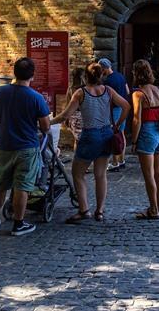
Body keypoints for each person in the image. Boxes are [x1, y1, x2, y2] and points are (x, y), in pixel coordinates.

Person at [50, 61, 130, 224]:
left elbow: (65, 115)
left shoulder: (81, 93)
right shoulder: (108, 90)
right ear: (101, 76)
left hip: (90, 136)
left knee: (77, 173)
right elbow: (126, 106)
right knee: (100, 175)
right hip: (106, 133)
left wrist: (47, 123)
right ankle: (99, 211)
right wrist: (117, 124)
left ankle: (84, 209)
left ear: (86, 76)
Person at [0, 57, 51, 236]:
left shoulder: (0, 92)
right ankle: (18, 223)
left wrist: (7, 124)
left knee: (0, 184)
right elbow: (46, 127)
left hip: (3, 144)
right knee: (22, 185)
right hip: (26, 146)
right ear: (32, 75)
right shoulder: (36, 98)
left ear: (14, 72)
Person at [130, 59, 159, 220]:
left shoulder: (138, 94)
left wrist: (134, 141)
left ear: (136, 74)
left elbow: (137, 119)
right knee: (158, 171)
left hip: (147, 132)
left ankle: (153, 209)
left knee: (148, 174)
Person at [99, 58, 130, 172]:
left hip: (114, 110)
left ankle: (115, 162)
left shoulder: (108, 81)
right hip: (123, 108)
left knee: (114, 135)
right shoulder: (121, 76)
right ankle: (122, 160)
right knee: (121, 134)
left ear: (103, 68)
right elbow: (127, 91)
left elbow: (106, 98)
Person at [64, 67, 85, 151]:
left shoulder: (70, 89)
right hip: (84, 116)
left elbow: (67, 104)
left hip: (73, 116)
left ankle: (77, 157)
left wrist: (66, 118)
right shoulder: (86, 89)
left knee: (77, 140)